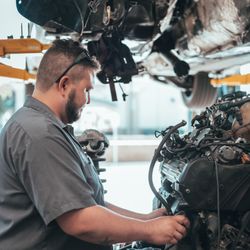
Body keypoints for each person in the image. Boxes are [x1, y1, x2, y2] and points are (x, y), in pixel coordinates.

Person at [0, 39, 189, 250]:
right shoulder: (38, 135)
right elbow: (81, 221)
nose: (88, 100)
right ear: (64, 85)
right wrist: (150, 230)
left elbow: (87, 203)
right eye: (87, 90)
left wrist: (145, 220)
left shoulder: (43, 127)